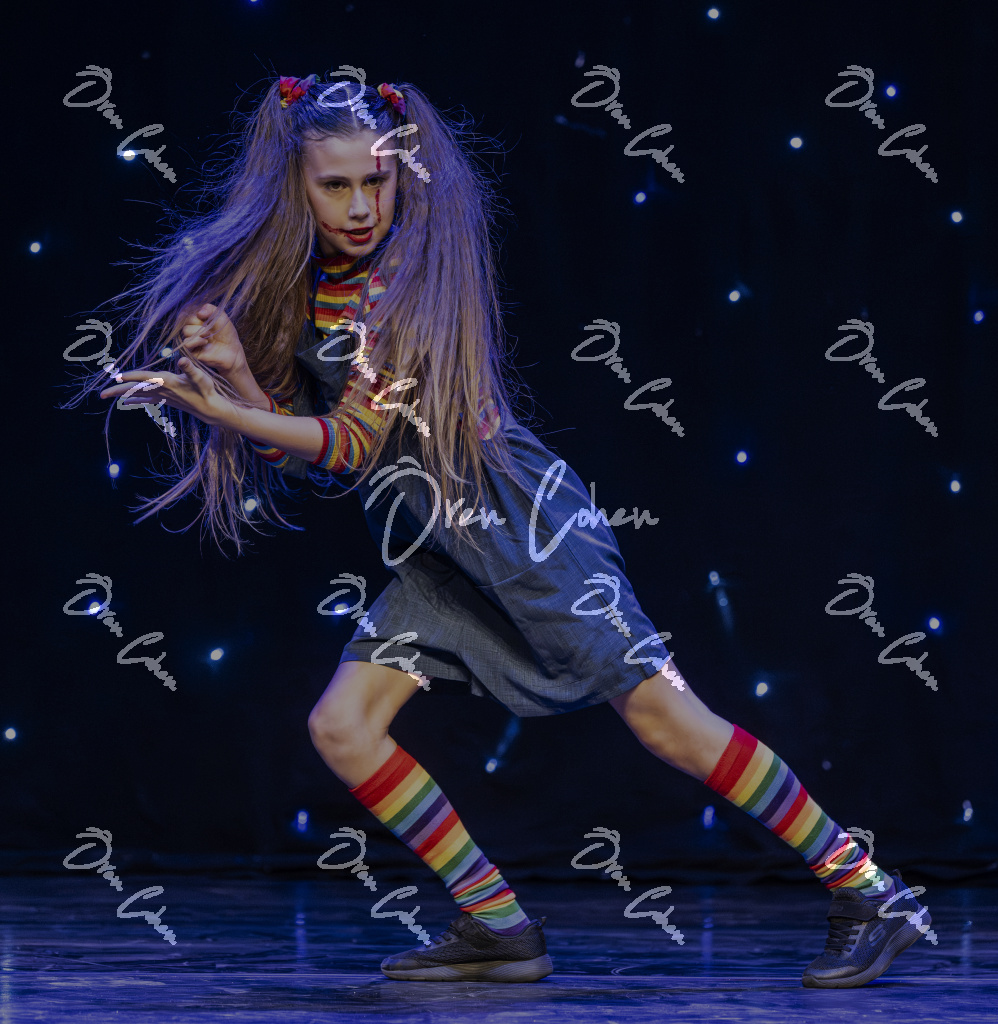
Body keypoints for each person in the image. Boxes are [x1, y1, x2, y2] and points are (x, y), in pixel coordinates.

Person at [94, 70, 931, 988]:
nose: (361, 205)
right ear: (295, 187)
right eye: (336, 185)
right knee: (344, 725)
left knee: (668, 722)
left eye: (376, 180)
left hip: (523, 529)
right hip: (439, 550)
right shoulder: (318, 287)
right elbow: (315, 457)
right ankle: (498, 925)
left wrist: (225, 408)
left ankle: (871, 890)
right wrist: (238, 380)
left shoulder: (407, 279)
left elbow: (349, 443)